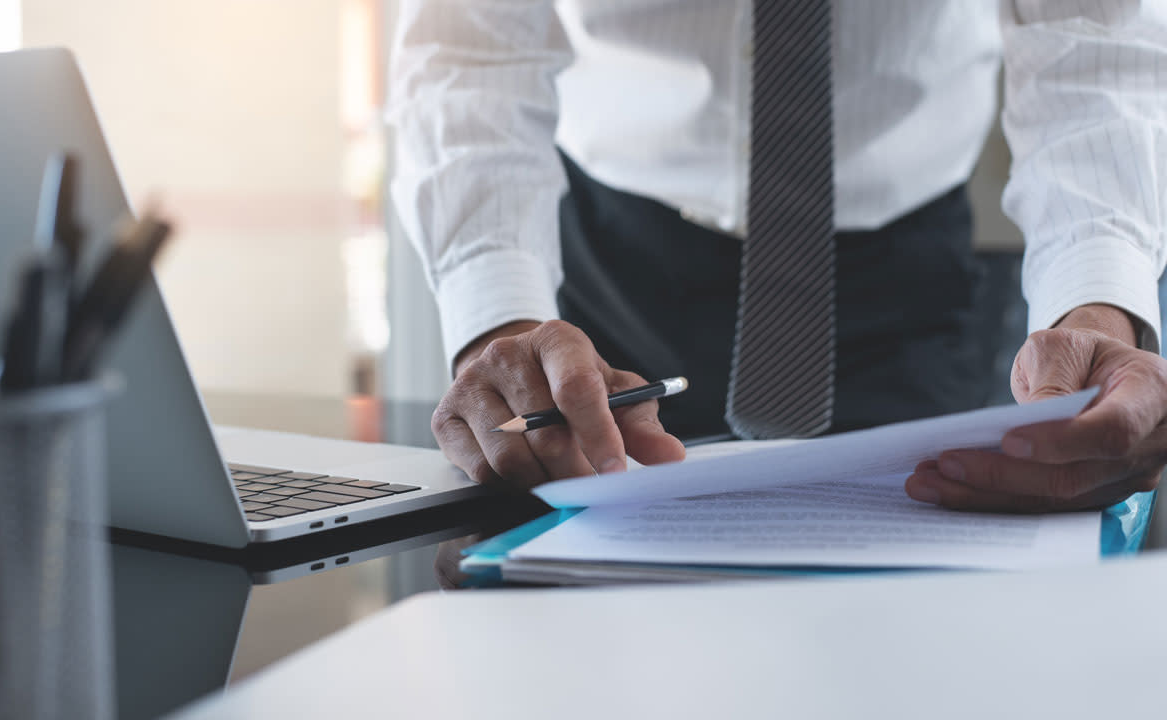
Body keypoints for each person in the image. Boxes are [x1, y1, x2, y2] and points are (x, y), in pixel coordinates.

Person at [386, 0, 1167, 512]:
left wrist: (1096, 302)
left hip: (907, 277)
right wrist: (502, 324)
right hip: (600, 291)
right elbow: (468, 50)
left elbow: (1094, 36)